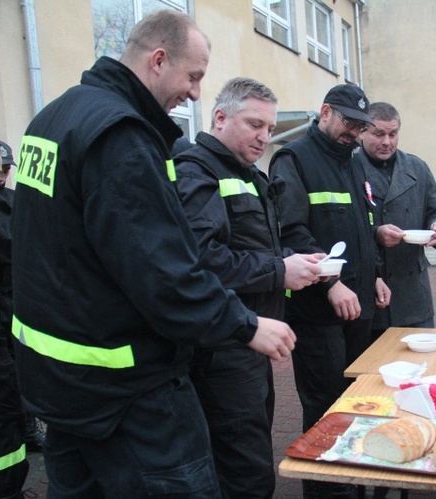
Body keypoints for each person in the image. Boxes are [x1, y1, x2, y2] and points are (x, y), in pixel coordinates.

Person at [10, 10, 295, 497]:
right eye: (194, 76)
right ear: (158, 60)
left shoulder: (55, 116)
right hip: (124, 391)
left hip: (57, 383)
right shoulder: (122, 137)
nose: (196, 93)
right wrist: (245, 325)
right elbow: (165, 273)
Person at [174, 77, 323, 499]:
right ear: (220, 118)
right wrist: (279, 270)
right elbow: (201, 260)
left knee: (250, 450)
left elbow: (254, 245)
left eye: (271, 129)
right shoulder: (198, 172)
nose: (264, 136)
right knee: (246, 470)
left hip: (248, 342)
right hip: (221, 348)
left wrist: (300, 260)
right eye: (255, 124)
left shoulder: (248, 174)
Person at [269, 83, 390, 498]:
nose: (354, 132)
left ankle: (351, 482)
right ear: (325, 113)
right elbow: (292, 231)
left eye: (360, 126)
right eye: (348, 122)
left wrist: (374, 273)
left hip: (358, 306)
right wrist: (332, 283)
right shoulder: (293, 159)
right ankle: (325, 491)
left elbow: (363, 226)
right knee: (324, 408)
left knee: (356, 401)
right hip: (319, 309)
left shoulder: (354, 163)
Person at [354, 102, 436, 341]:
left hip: (413, 294)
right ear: (362, 132)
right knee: (374, 372)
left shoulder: (417, 168)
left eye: (393, 134)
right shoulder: (349, 168)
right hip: (370, 291)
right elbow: (342, 228)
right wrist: (376, 233)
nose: (387, 141)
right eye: (379, 134)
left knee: (422, 366)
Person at [0, 139, 46, 453]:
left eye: (8, 170)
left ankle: (27, 429)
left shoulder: (12, 199)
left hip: (15, 304)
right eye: (1, 168)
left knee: (19, 373)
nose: (3, 176)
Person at [0, 140, 28, 499]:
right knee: (1, 425)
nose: (4, 177)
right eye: (0, 169)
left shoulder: (3, 202)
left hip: (3, 327)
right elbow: (14, 244)